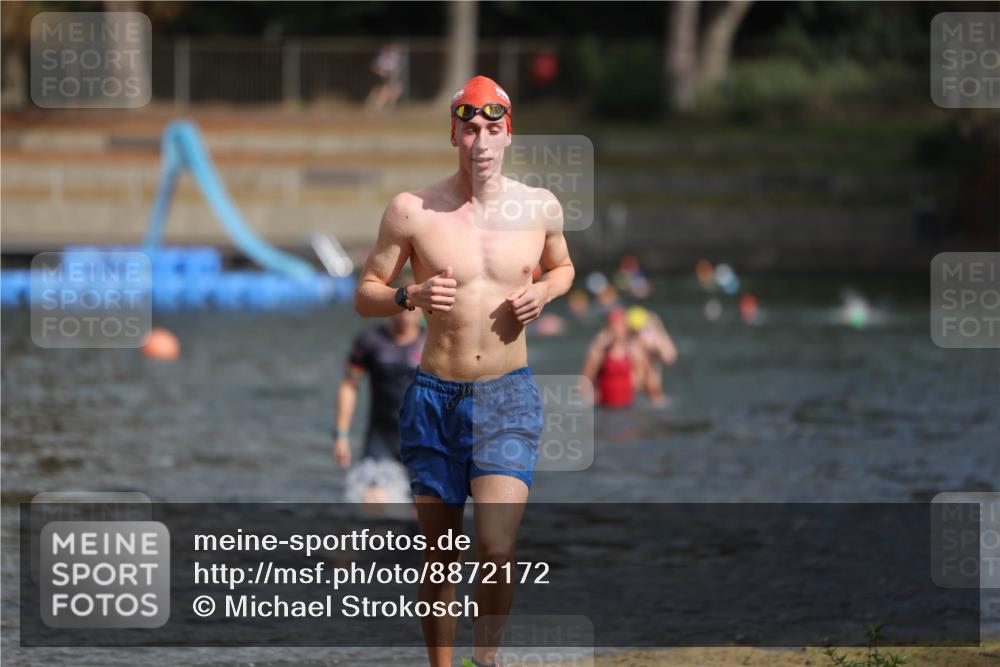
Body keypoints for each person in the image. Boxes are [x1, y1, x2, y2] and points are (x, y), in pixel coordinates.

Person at [353, 75, 575, 667]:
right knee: (440, 560)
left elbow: (563, 267)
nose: (481, 140)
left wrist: (545, 292)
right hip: (434, 398)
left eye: (491, 129)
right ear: (454, 134)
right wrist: (409, 295)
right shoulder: (412, 210)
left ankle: (486, 660)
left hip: (508, 397)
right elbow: (366, 293)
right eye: (469, 128)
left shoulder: (540, 207)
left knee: (496, 549)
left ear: (509, 134)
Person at [333, 308, 426, 507]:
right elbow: (349, 385)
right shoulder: (370, 340)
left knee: (421, 511)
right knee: (373, 501)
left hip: (422, 439)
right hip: (381, 438)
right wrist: (341, 435)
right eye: (403, 305)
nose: (407, 312)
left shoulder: (431, 342)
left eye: (413, 306)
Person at [579, 306, 648, 408]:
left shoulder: (634, 350)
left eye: (620, 325)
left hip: (627, 406)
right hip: (604, 407)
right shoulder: (599, 350)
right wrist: (590, 399)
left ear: (626, 328)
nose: (616, 329)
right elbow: (583, 382)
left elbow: (644, 380)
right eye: (613, 325)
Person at [626, 305, 678, 406]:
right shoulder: (627, 343)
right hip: (634, 393)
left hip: (652, 393)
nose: (638, 335)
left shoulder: (654, 341)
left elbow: (670, 357)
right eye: (634, 332)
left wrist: (659, 332)